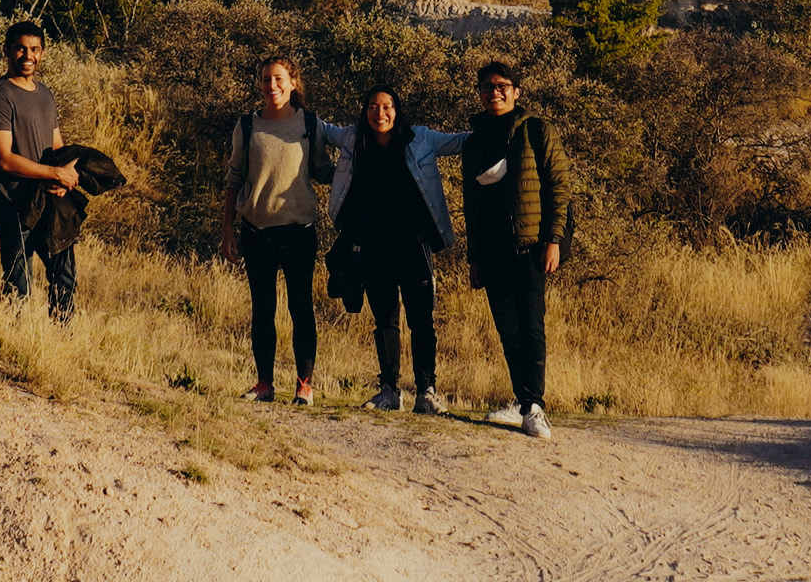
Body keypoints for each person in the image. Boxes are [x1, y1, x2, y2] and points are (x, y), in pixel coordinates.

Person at [326, 83, 461, 414]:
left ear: (397, 111)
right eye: (373, 106)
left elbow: (460, 142)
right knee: (385, 319)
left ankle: (426, 391)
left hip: (413, 243)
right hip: (373, 247)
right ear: (365, 111)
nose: (380, 113)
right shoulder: (354, 139)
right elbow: (320, 129)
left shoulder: (419, 139)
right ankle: (389, 390)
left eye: (387, 106)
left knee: (421, 318)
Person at [458, 58, 565, 438]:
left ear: (516, 92)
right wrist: (473, 257)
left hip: (530, 247)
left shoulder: (537, 130)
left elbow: (559, 187)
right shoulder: (474, 141)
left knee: (531, 324)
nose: (495, 92)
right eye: (488, 87)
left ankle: (535, 406)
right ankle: (521, 401)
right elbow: (471, 202)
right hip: (491, 250)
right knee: (507, 329)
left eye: (502, 86)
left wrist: (553, 240)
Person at [222, 55, 333, 404]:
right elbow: (234, 178)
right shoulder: (247, 125)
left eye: (279, 79)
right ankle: (264, 384)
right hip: (257, 231)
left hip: (299, 230)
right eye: (266, 79)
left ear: (293, 82)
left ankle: (304, 385)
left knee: (302, 309)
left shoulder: (310, 123)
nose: (272, 86)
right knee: (262, 310)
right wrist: (227, 230)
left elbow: (323, 171)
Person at [0, 23, 82, 322]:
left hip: (49, 202)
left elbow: (57, 146)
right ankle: (14, 339)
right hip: (14, 204)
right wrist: (54, 173)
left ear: (42, 53)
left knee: (65, 278)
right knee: (18, 284)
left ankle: (62, 340)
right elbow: (4, 160)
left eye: (34, 49)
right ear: (7, 50)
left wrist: (66, 176)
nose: (28, 56)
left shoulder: (45, 94)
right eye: (20, 48)